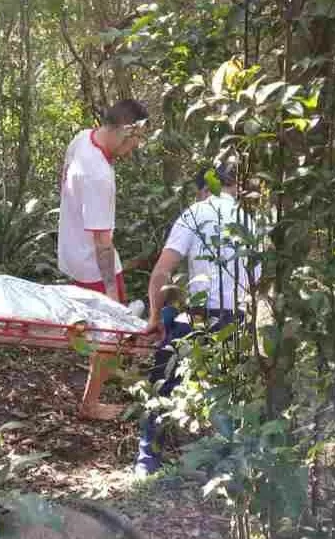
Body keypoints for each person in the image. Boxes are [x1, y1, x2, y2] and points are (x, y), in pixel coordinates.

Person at [134, 163, 260, 477]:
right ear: (235, 188)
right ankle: (229, 466)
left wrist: (154, 317)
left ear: (204, 190)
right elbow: (257, 281)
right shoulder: (250, 222)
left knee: (163, 380)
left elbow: (162, 272)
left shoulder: (195, 213)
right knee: (229, 390)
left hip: (200, 316)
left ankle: (148, 459)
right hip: (237, 318)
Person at [57, 99, 149, 420]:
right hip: (91, 262)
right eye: (136, 139)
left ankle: (102, 361)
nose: (135, 147)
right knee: (112, 332)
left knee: (97, 326)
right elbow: (102, 243)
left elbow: (63, 180)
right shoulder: (99, 175)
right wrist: (112, 296)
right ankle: (91, 404)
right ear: (126, 131)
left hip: (71, 250)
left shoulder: (83, 137)